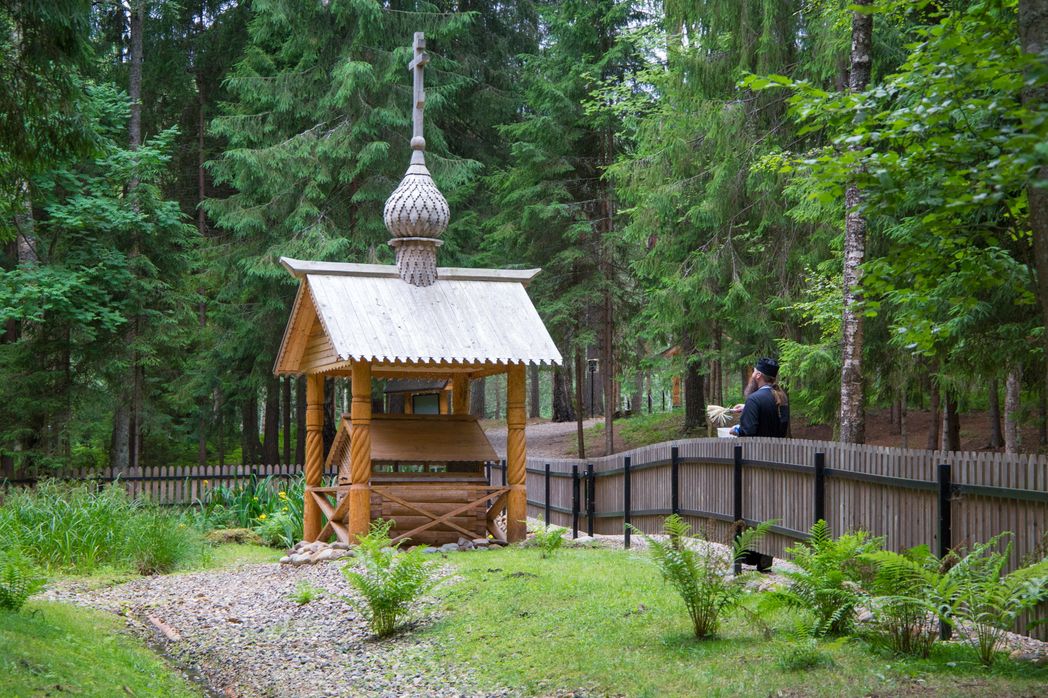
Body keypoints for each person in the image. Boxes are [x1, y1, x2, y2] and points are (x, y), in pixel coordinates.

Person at [730, 357, 789, 438]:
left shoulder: (753, 399)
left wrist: (736, 429)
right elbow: (780, 425)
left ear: (758, 375)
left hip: (758, 446)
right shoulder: (781, 397)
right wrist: (747, 407)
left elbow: (748, 431)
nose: (752, 375)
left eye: (754, 371)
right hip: (777, 446)